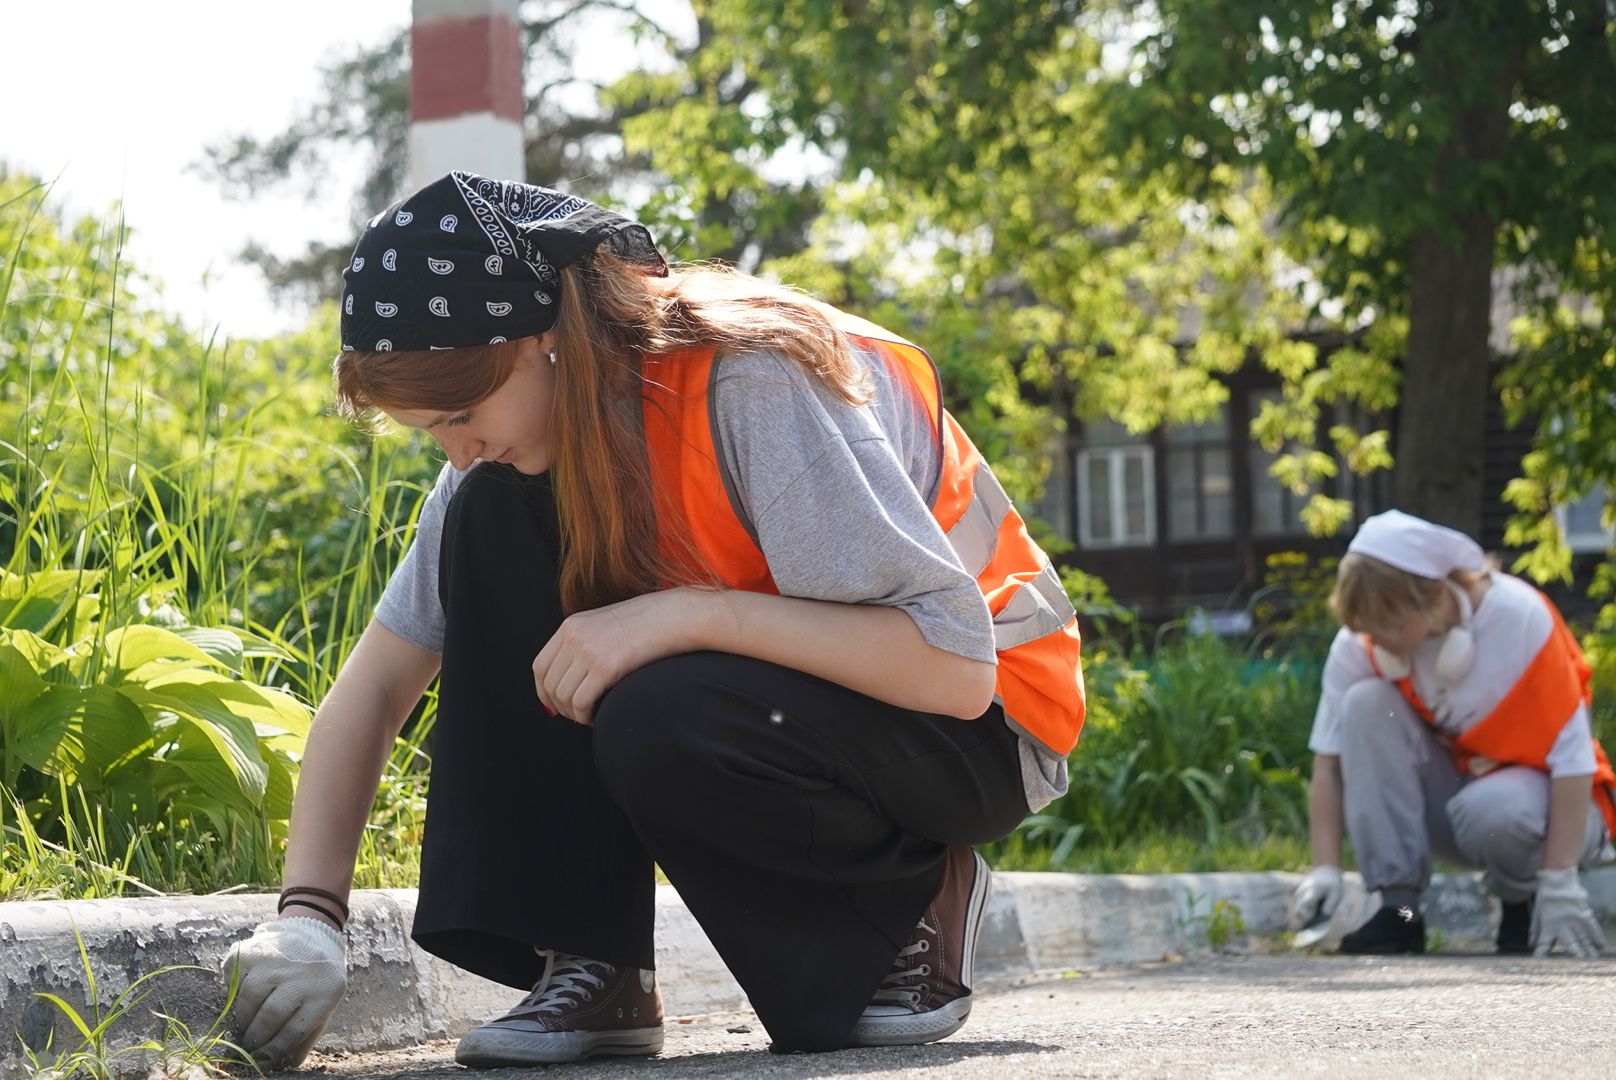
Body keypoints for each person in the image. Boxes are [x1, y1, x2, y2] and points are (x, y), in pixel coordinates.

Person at [217, 171, 1085, 1068]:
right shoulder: (506, 452)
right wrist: (308, 920)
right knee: (491, 519)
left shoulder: (748, 382)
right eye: (432, 429)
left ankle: (917, 890)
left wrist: (679, 617)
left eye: (462, 415)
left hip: (980, 726)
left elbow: (953, 668)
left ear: (541, 342)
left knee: (660, 710)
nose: (457, 449)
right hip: (806, 702)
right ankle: (598, 965)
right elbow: (374, 690)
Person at [1290, 509, 1616, 956]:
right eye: (1366, 629)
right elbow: (1327, 766)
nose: (1374, 641)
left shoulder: (1520, 618)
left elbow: (1574, 759)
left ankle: (1524, 901)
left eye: (1388, 626)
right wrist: (1325, 869)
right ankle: (1399, 913)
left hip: (1557, 814)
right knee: (1365, 704)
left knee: (1496, 810)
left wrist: (1559, 882)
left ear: (1435, 596)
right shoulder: (1364, 640)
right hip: (1463, 811)